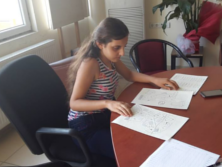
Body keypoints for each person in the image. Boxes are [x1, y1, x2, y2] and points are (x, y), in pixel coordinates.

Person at [67, 17, 179, 161]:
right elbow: (74, 103)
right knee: (131, 152)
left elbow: (130, 74)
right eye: (116, 47)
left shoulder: (111, 58)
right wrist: (108, 103)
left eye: (124, 46)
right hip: (85, 125)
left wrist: (155, 79)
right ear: (100, 44)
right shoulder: (90, 63)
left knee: (146, 135)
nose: (122, 53)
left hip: (105, 115)